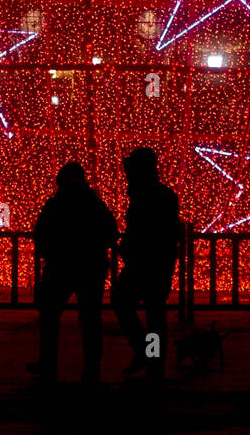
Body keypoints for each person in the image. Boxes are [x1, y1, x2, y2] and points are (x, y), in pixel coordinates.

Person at [29, 162, 118, 385]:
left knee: (50, 318)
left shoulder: (56, 204)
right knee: (90, 319)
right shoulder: (94, 204)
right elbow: (111, 231)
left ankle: (48, 363)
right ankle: (92, 366)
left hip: (60, 267)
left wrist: (47, 251)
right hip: (90, 267)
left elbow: (41, 233)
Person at [112, 147, 181, 379]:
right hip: (154, 262)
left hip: (147, 262)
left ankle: (150, 355)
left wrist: (131, 246)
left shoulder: (149, 195)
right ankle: (152, 357)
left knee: (132, 305)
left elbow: (150, 231)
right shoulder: (156, 194)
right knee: (151, 312)